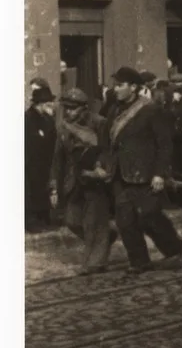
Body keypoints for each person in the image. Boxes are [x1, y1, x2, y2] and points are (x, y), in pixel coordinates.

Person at [106, 66, 182, 275]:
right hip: (120, 174)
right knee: (125, 221)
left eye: (119, 85)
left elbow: (164, 144)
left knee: (149, 216)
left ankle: (174, 248)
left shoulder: (150, 110)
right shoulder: (115, 110)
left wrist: (159, 173)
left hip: (145, 174)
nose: (115, 89)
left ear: (133, 87)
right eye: (115, 85)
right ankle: (139, 261)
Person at [49, 88, 116, 275]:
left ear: (83, 108)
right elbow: (58, 158)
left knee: (93, 222)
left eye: (73, 108)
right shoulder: (63, 127)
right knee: (72, 220)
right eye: (66, 108)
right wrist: (54, 187)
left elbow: (107, 148)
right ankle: (106, 237)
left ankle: (94, 263)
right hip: (74, 181)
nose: (69, 112)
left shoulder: (99, 123)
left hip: (96, 179)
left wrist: (102, 168)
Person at [25, 85, 57, 232]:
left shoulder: (47, 118)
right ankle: (32, 221)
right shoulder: (28, 119)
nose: (51, 105)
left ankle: (43, 217)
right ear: (40, 104)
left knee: (41, 189)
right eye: (48, 102)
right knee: (32, 190)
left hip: (43, 162)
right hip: (32, 163)